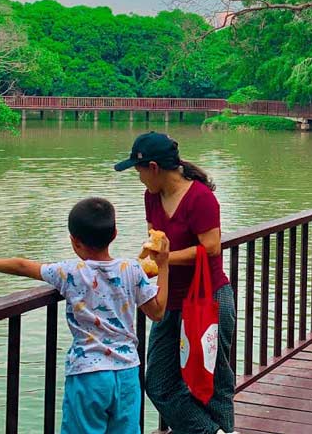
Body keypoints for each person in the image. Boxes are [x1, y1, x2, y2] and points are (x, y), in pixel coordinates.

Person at [0, 197, 170, 434]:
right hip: (127, 374)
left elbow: (22, 265)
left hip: (87, 374)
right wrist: (163, 265)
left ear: (74, 240)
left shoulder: (69, 272)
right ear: (114, 234)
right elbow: (157, 311)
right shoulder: (132, 270)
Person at [114, 131, 238, 434]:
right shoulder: (152, 197)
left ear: (153, 167)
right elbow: (157, 242)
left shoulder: (200, 198)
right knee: (158, 382)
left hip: (208, 299)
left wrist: (166, 259)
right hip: (171, 300)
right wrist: (143, 265)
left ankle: (221, 429)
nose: (138, 177)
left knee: (214, 383)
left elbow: (211, 248)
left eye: (139, 170)